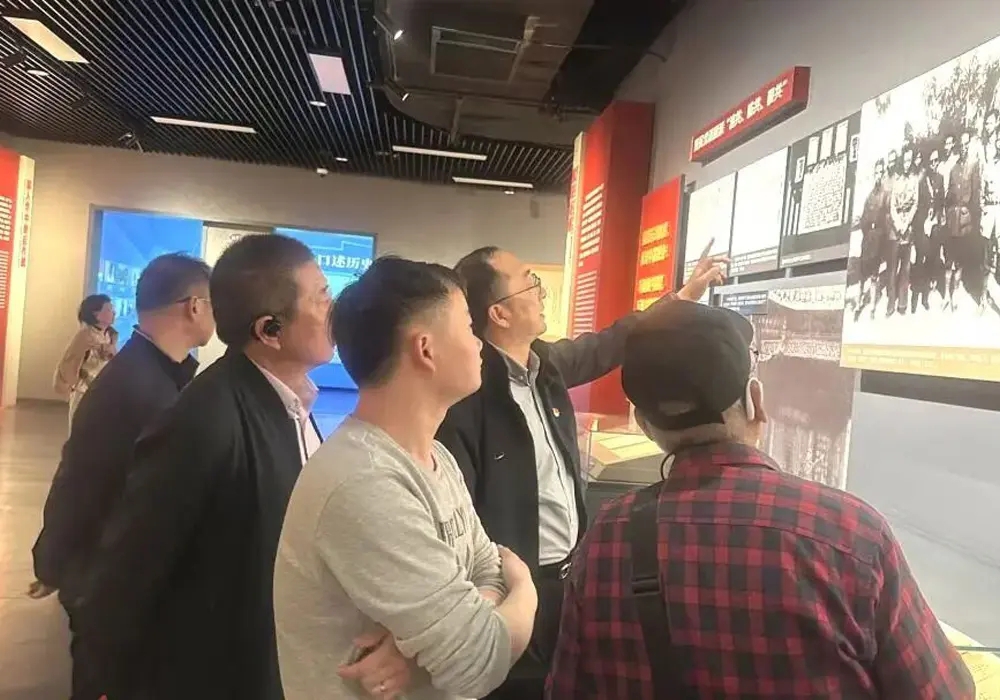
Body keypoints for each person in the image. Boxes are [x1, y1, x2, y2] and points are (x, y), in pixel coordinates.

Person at [547, 300, 976, 699]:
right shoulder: (851, 533)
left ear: (645, 425)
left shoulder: (605, 538)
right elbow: (942, 692)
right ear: (755, 401)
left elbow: (566, 689)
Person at [436, 245, 725, 699]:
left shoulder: (545, 366)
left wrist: (682, 298)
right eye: (530, 282)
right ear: (500, 313)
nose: (541, 292)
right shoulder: (467, 396)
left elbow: (612, 342)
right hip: (511, 588)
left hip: (570, 579)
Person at [70, 234, 333, 700]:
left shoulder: (290, 404)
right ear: (270, 330)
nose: (334, 311)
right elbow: (131, 564)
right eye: (322, 297)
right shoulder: (206, 418)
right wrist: (104, 680)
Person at [274, 257, 538, 700]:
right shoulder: (365, 482)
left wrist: (422, 648)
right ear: (425, 349)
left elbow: (487, 570)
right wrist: (526, 587)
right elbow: (481, 658)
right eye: (467, 326)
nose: (478, 343)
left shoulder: (436, 458)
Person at [29, 254, 214, 700]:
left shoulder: (150, 374)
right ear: (193, 307)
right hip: (109, 591)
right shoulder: (140, 387)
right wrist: (58, 564)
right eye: (215, 302)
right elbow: (84, 480)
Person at [53, 293, 119, 427]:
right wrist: (78, 381)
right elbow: (69, 363)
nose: (113, 313)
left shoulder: (110, 336)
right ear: (96, 314)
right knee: (80, 428)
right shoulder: (84, 336)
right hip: (84, 392)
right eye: (108, 309)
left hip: (103, 392)